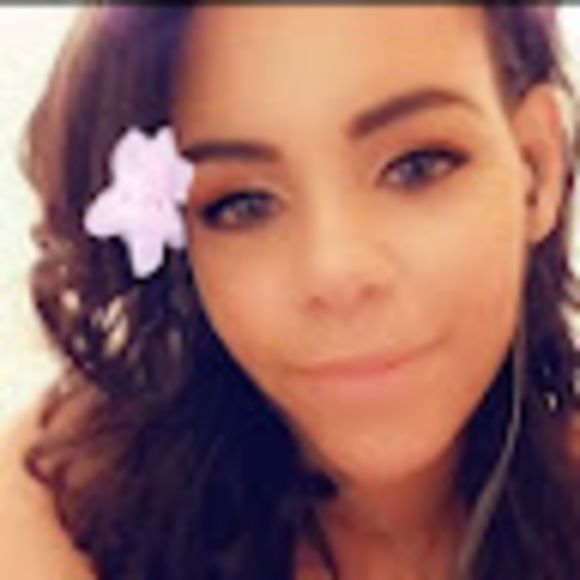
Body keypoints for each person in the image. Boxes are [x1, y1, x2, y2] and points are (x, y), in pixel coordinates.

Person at [1, 4, 579, 579]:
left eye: (417, 166)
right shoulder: (64, 513)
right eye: (244, 205)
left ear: (535, 167)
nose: (336, 274)